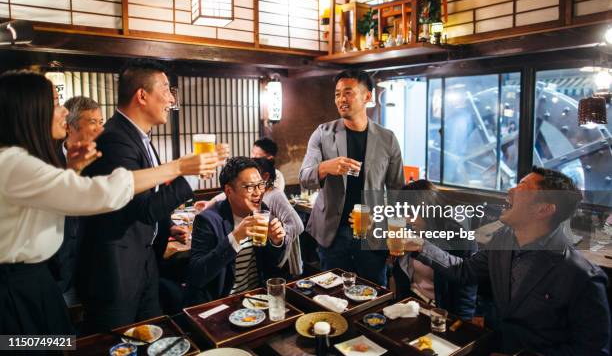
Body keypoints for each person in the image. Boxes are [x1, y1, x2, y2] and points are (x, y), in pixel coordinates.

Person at [0, 70, 215, 335]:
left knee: (68, 345)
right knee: (37, 347)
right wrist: (181, 167)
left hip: (37, 282)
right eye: (55, 103)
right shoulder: (14, 164)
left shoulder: (18, 161)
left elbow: (56, 198)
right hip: (18, 291)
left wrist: (72, 169)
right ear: (29, 110)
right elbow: (103, 193)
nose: (64, 112)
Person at [77, 59, 218, 332]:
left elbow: (149, 199)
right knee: (118, 343)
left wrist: (167, 227)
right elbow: (140, 209)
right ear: (142, 95)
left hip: (143, 262)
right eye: (165, 89)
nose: (170, 98)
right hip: (114, 270)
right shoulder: (115, 139)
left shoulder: (139, 137)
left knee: (152, 334)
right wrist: (188, 173)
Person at [406, 167, 611, 355]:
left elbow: (593, 351)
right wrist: (421, 245)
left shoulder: (582, 277)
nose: (511, 190)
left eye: (522, 187)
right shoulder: (503, 239)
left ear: (543, 209)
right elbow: (464, 270)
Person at [299, 69, 404, 286]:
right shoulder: (323, 133)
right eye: (337, 94)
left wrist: (395, 235)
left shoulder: (387, 139)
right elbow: (305, 178)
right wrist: (326, 167)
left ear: (367, 96)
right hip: (332, 233)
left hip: (372, 232)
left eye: (348, 92)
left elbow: (397, 193)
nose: (341, 99)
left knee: (373, 291)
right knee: (333, 294)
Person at [186, 157, 287, 303]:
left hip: (255, 298)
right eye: (250, 187)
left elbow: (270, 263)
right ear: (228, 190)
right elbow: (197, 274)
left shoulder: (261, 210)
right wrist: (235, 238)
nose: (258, 192)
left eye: (260, 185)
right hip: (222, 302)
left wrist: (276, 242)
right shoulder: (208, 220)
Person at [393, 180, 477, 320]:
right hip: (411, 303)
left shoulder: (459, 238)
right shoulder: (410, 229)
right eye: (403, 212)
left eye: (411, 213)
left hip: (441, 311)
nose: (407, 219)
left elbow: (466, 291)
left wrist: (463, 323)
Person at [48, 96, 104, 306]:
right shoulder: (48, 159)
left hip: (95, 263)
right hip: (57, 267)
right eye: (92, 122)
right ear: (70, 127)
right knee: (58, 335)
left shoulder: (103, 158)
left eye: (101, 122)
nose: (99, 129)